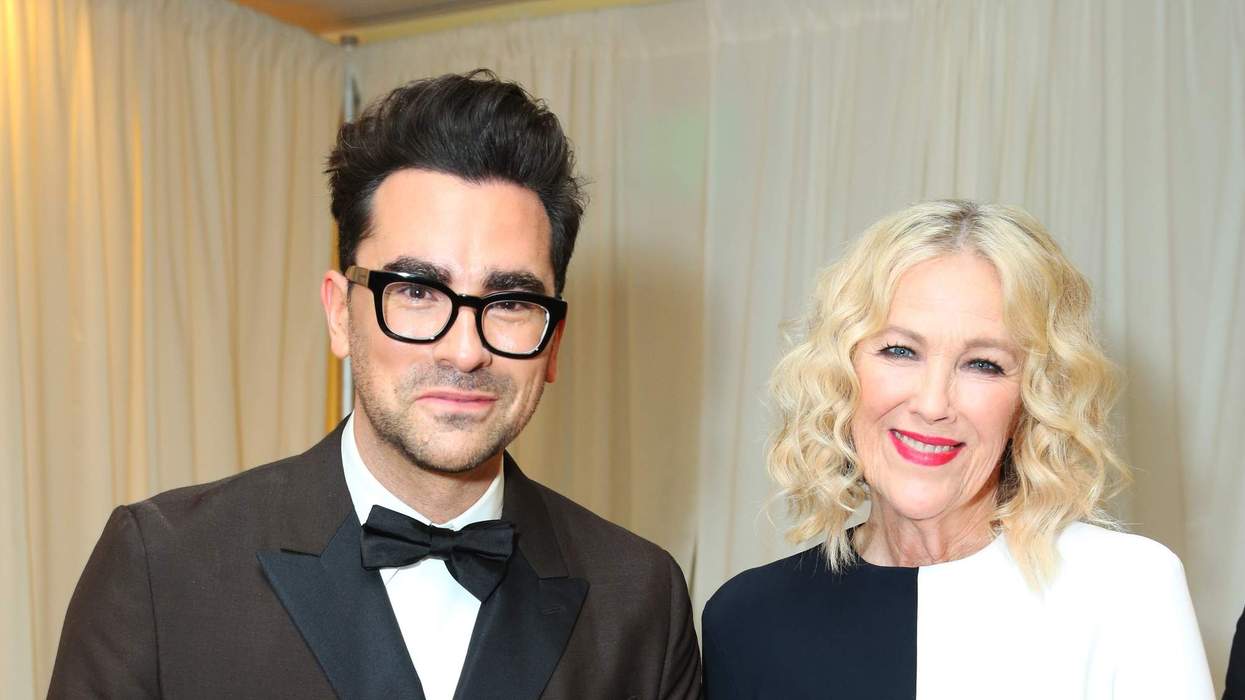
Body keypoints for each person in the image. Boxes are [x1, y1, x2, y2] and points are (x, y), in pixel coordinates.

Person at [49, 70, 700, 700]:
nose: (465, 351)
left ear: (552, 342)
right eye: (416, 292)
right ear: (339, 314)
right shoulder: (166, 568)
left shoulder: (640, 599)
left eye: (508, 302)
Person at [702, 200, 1213, 699]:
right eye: (900, 351)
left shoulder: (1129, 590)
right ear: (841, 373)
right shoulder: (748, 618)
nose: (932, 403)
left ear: (1032, 400)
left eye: (983, 364)